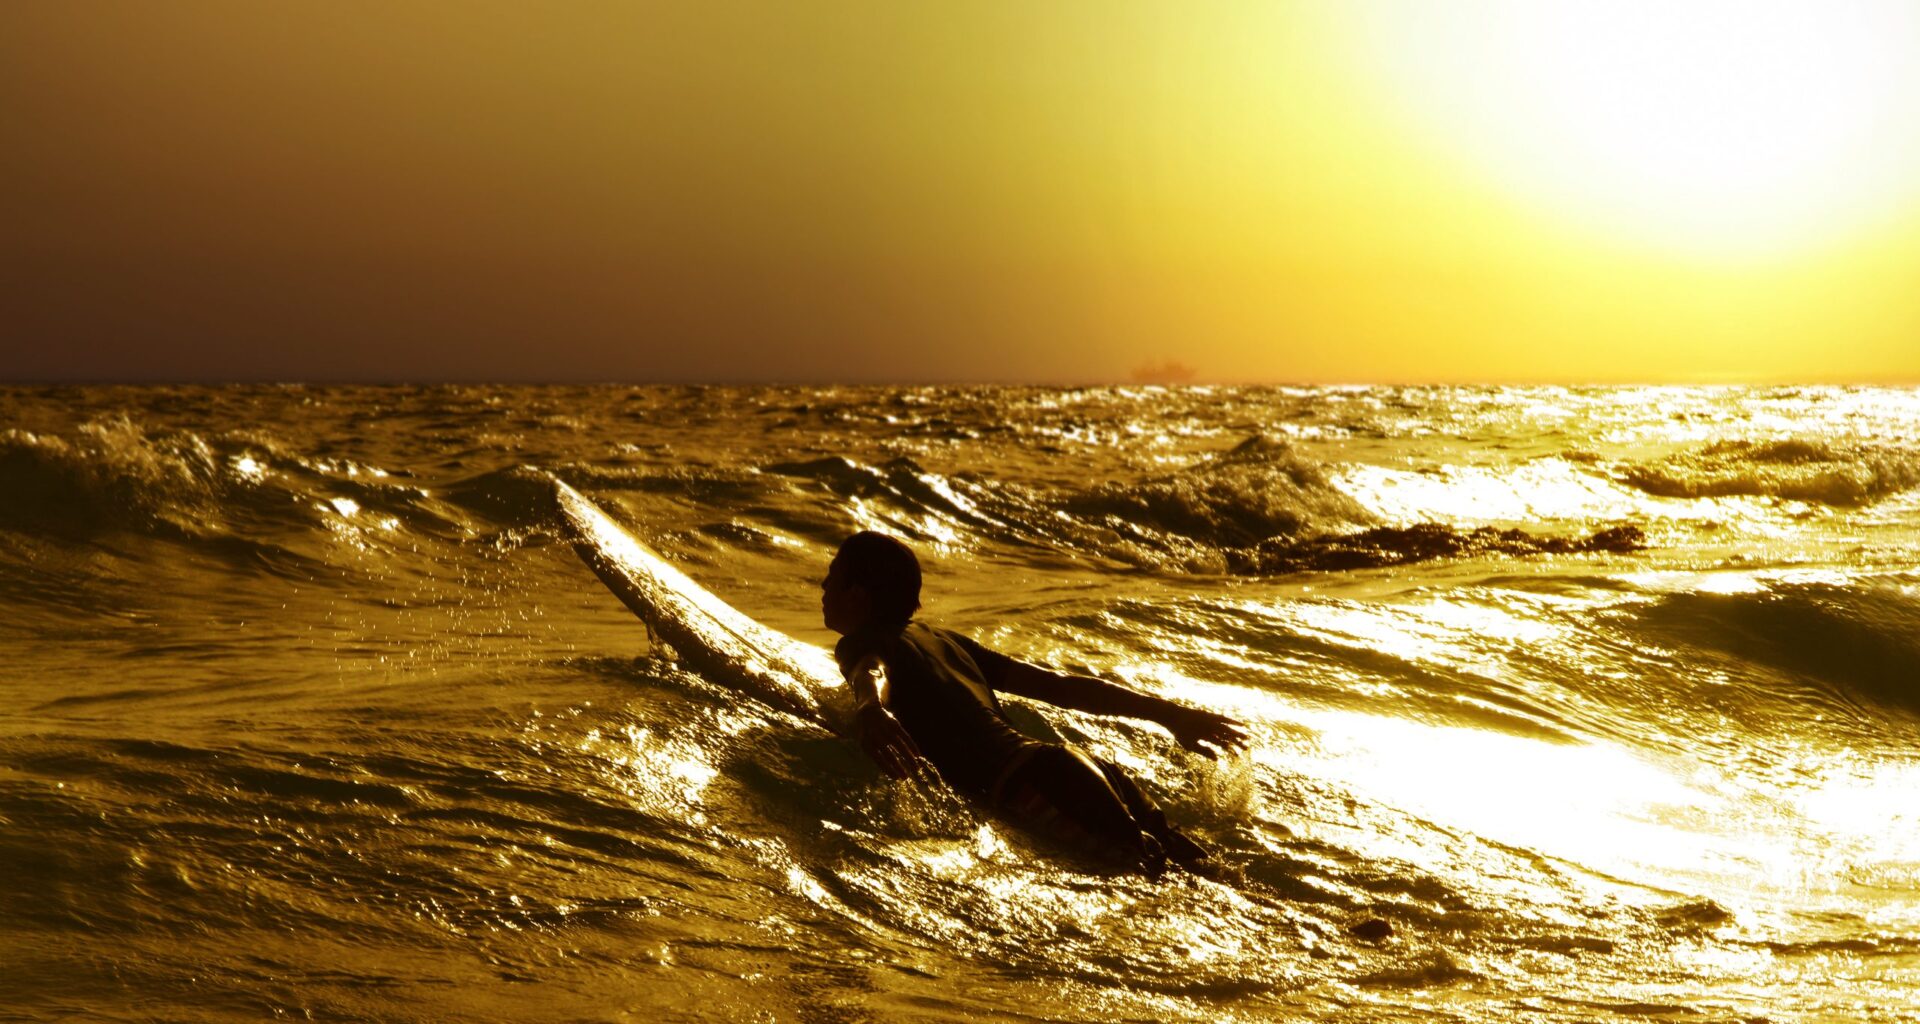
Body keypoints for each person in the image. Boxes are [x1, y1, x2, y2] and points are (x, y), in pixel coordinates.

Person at [821, 531, 1248, 876]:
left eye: (832, 575)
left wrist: (870, 709)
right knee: (1201, 872)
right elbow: (1059, 687)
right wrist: (1168, 714)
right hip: (1075, 768)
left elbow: (871, 671)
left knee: (1171, 882)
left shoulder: (863, 641)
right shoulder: (942, 640)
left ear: (857, 593)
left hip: (1034, 786)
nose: (823, 586)